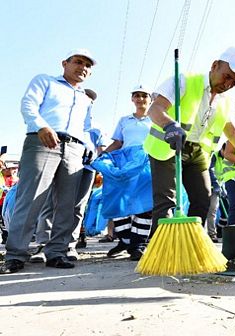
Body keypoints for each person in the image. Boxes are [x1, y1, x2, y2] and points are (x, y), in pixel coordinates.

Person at [1, 49, 100, 274]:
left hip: (74, 149)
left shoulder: (86, 99)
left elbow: (86, 127)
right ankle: (16, 255)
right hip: (43, 140)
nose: (82, 67)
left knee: (67, 203)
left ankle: (56, 252)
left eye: (87, 65)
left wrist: (90, 147)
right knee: (32, 198)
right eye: (77, 62)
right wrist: (41, 126)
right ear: (64, 63)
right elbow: (28, 105)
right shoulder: (45, 81)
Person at [143, 47, 235, 241]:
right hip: (169, 146)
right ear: (215, 66)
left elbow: (232, 132)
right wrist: (169, 125)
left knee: (203, 199)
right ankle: (160, 247)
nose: (228, 84)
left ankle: (190, 244)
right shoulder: (184, 81)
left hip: (198, 153)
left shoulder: (224, 101)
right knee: (167, 201)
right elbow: (155, 108)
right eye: (227, 76)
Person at [30, 88, 104, 262]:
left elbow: (102, 148)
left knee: (77, 207)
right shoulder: (63, 120)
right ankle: (43, 244)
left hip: (86, 169)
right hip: (59, 163)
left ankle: (69, 244)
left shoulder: (96, 127)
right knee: (49, 204)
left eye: (91, 100)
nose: (88, 101)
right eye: (84, 97)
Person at [102, 84, 154, 261]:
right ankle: (124, 240)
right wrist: (103, 155)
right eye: (137, 95)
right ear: (132, 99)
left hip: (147, 162)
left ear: (150, 98)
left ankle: (138, 244)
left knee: (145, 202)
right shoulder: (124, 120)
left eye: (144, 95)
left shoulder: (154, 119)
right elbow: (118, 142)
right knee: (120, 200)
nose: (140, 99)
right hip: (126, 161)